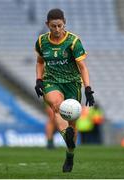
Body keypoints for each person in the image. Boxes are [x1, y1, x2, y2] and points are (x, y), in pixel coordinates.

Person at [34, 8, 95, 172]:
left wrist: (88, 88)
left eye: (59, 26)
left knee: (73, 123)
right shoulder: (41, 41)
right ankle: (65, 135)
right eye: (53, 26)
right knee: (56, 105)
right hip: (52, 81)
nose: (57, 30)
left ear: (64, 23)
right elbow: (40, 62)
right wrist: (39, 80)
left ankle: (70, 154)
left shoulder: (73, 42)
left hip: (72, 83)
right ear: (47, 24)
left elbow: (82, 66)